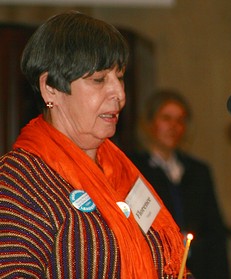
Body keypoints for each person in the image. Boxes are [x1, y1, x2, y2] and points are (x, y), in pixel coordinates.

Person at [0, 11, 193, 279]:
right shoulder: (20, 178)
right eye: (99, 79)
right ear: (50, 89)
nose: (120, 95)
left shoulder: (121, 171)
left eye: (120, 77)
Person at [129, 90, 230, 279]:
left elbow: (215, 232)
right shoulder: (133, 169)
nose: (174, 127)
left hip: (198, 270)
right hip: (154, 269)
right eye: (166, 118)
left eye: (180, 120)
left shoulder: (199, 171)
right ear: (149, 123)